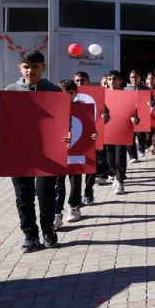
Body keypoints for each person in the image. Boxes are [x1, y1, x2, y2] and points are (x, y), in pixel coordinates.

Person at [0, 50, 64, 253]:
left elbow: (65, 122)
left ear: (43, 68)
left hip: (47, 153)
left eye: (35, 66)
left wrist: (66, 136)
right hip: (18, 151)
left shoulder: (54, 92)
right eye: (26, 66)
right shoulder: (11, 90)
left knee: (46, 194)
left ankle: (48, 230)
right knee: (23, 196)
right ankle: (30, 234)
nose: (30, 70)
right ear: (19, 68)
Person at [55, 79, 96, 225]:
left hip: (77, 152)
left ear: (76, 94)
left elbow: (91, 128)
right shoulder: (54, 109)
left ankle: (74, 206)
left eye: (70, 94)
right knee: (58, 182)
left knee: (75, 181)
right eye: (63, 94)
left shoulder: (83, 109)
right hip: (58, 152)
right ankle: (57, 212)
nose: (67, 97)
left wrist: (93, 135)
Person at [102, 70, 140, 195]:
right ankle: (113, 173)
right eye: (109, 79)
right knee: (110, 155)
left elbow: (135, 113)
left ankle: (120, 180)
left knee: (120, 156)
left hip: (122, 129)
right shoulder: (103, 95)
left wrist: (135, 119)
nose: (112, 81)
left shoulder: (127, 95)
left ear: (120, 81)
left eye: (114, 79)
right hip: (107, 129)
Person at [74, 71, 107, 202]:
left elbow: (106, 112)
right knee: (75, 170)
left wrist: (106, 116)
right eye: (77, 81)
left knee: (90, 167)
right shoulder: (70, 96)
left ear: (88, 82)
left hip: (92, 137)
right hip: (75, 138)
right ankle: (75, 198)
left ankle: (88, 190)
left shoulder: (96, 96)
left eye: (82, 81)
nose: (79, 83)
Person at [126, 70, 149, 163]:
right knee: (129, 136)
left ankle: (142, 148)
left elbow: (153, 101)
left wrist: (151, 103)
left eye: (135, 77)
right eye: (131, 77)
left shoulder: (146, 89)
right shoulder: (125, 89)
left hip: (142, 115)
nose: (133, 79)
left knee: (141, 135)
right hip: (129, 116)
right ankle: (133, 156)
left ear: (139, 77)